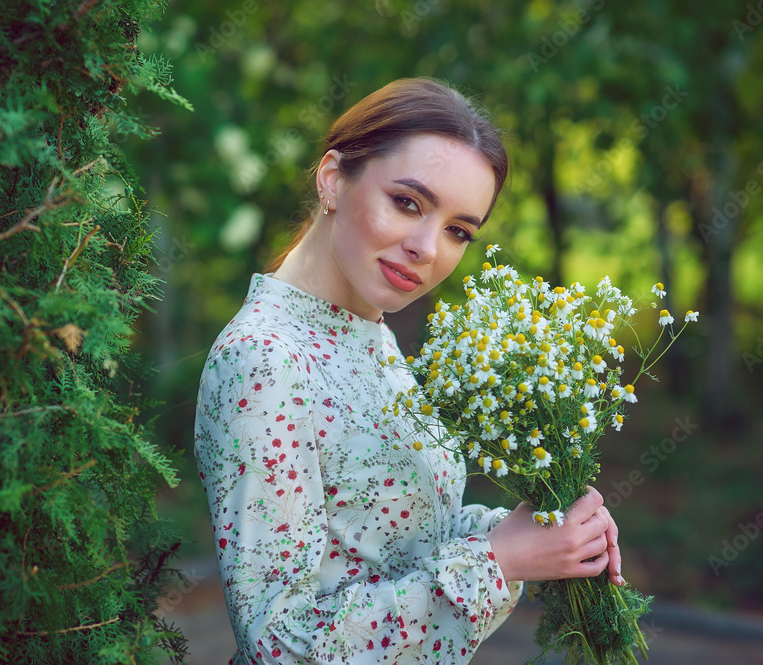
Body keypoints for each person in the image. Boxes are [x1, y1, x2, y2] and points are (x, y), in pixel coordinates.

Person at [194, 77, 624, 664]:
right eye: (408, 202)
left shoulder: (369, 337)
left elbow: (398, 538)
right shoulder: (265, 358)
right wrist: (498, 561)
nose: (428, 247)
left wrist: (542, 531)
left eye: (458, 231)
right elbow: (278, 644)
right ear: (331, 180)